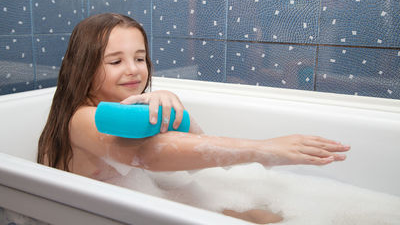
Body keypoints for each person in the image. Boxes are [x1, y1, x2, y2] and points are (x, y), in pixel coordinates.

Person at [37, 13, 350, 224]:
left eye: (140, 58)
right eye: (115, 61)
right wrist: (264, 150)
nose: (133, 69)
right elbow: (145, 155)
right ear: (83, 66)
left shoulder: (126, 109)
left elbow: (189, 154)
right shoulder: (81, 119)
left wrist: (166, 105)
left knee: (265, 215)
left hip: (137, 204)